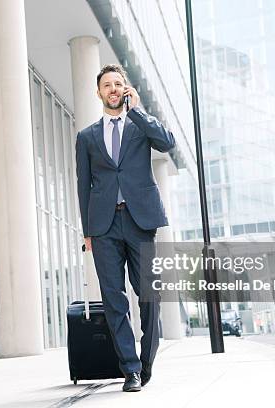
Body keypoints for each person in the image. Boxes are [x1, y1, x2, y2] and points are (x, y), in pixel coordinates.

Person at [75, 64, 175, 392]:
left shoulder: (139, 126)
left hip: (140, 220)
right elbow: (83, 185)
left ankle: (146, 359)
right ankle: (129, 369)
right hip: (104, 225)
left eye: (119, 84)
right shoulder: (87, 136)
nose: (113, 89)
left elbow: (167, 142)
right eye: (107, 85)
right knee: (113, 298)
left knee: (149, 293)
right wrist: (88, 230)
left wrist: (139, 111)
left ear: (125, 89)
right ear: (99, 92)